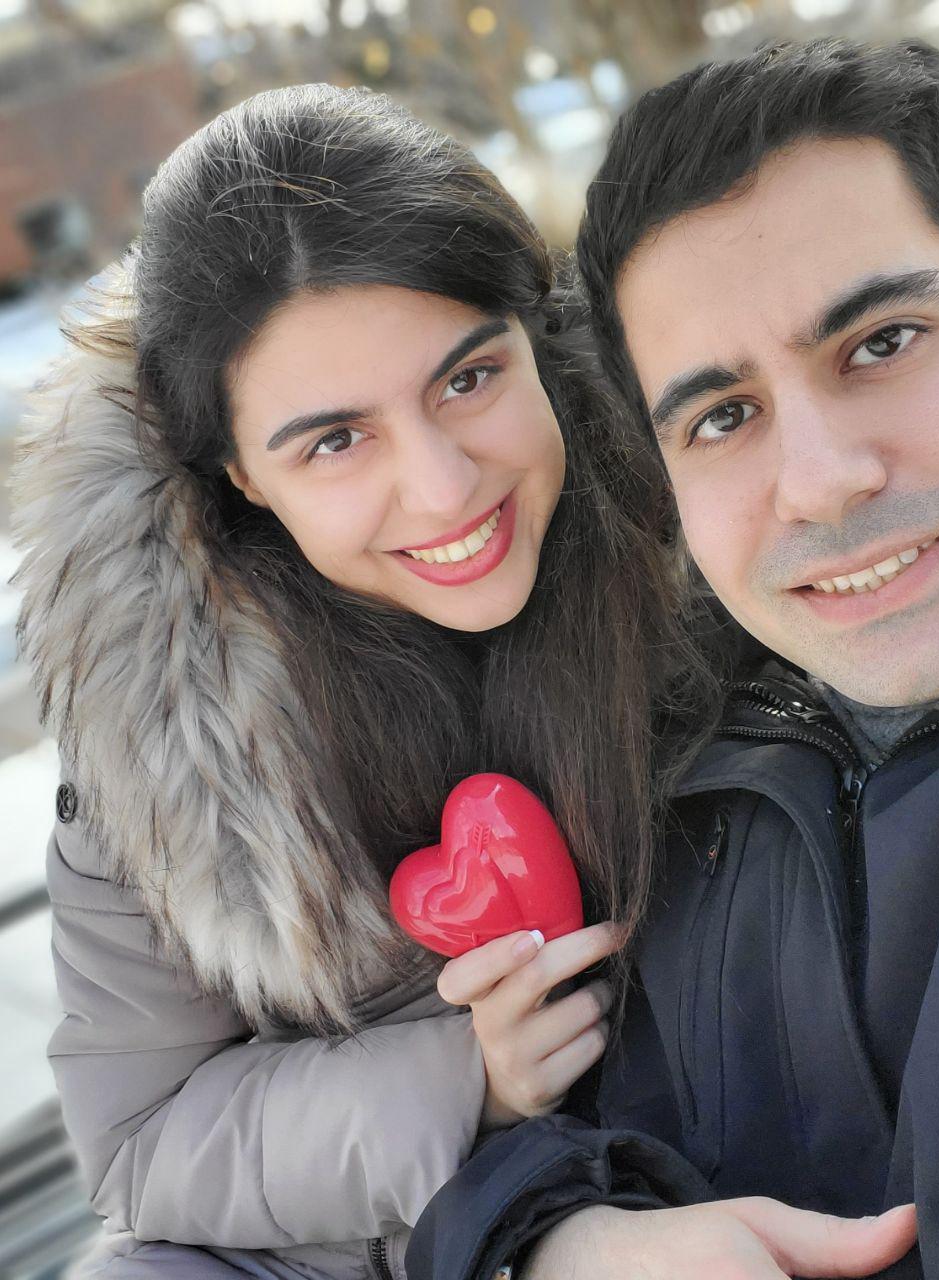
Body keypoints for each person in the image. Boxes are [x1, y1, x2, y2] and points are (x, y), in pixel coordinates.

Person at [12, 84, 721, 1279]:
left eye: (468, 378)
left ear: (535, 329)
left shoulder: (710, 525)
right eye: (336, 441)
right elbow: (140, 1137)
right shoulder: (172, 741)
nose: (443, 488)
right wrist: (461, 1079)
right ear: (238, 473)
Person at [406, 38, 939, 1280]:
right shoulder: (688, 768)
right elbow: (554, 1154)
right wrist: (552, 1242)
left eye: (881, 341)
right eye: (723, 416)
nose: (821, 481)